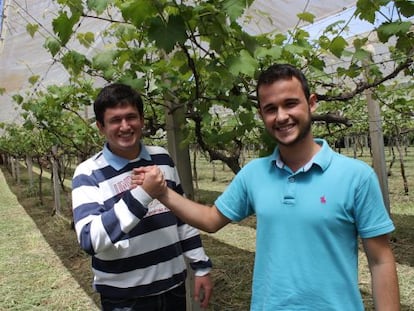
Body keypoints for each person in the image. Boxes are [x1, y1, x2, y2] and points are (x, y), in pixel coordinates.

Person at [134, 64, 400, 310]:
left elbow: (381, 261)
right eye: (271, 108)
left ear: (312, 104)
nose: (281, 116)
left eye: (290, 104)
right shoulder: (254, 173)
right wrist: (163, 193)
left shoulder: (357, 177)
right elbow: (211, 219)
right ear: (261, 114)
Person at [71, 83, 213, 311]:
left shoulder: (162, 158)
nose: (125, 126)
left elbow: (181, 218)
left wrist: (201, 266)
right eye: (115, 120)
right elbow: (90, 240)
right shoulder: (88, 173)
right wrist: (143, 194)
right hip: (125, 300)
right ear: (101, 126)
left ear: (142, 120)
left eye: (131, 117)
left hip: (174, 288)